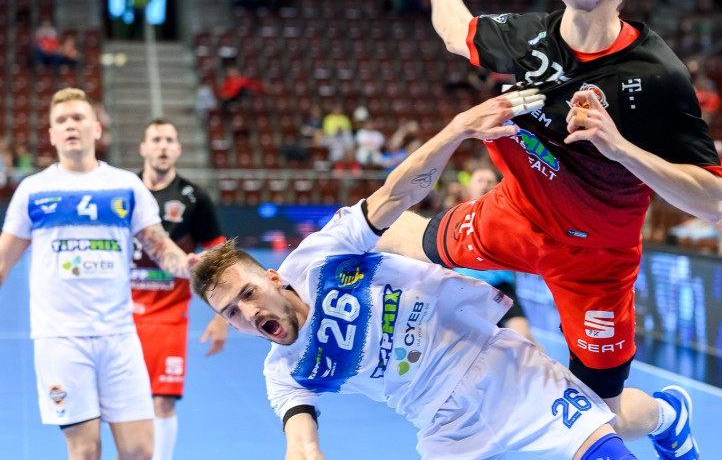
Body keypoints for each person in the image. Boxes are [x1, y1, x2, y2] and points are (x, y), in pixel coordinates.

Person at [380, 0, 722, 458]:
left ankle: (667, 415)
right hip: (514, 215)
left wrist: (620, 147)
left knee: (598, 415)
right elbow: (454, 33)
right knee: (391, 234)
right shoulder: (530, 37)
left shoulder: (658, 76)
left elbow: (712, 202)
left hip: (596, 261)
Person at [190, 90, 640, 460]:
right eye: (231, 312)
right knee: (608, 413)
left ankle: (665, 417)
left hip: (491, 361)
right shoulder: (284, 372)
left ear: (273, 278)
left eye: (247, 293)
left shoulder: (319, 255)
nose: (247, 312)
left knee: (608, 444)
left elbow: (396, 194)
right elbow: (302, 445)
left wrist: (457, 128)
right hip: (443, 425)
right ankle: (664, 415)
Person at [0, 88, 198, 460]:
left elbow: (160, 247)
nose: (70, 125)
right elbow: (2, 262)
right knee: (85, 451)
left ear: (96, 128)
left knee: (141, 450)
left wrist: (190, 267)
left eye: (78, 118)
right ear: (51, 134)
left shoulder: (126, 185)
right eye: (61, 120)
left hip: (119, 336)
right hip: (60, 338)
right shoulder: (33, 190)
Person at [131, 119, 228, 460]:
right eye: (156, 139)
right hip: (122, 315)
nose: (162, 145)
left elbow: (219, 257)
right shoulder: (126, 192)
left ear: (178, 149)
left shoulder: (194, 198)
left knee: (163, 400)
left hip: (169, 314)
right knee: (122, 401)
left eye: (169, 140)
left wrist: (221, 317)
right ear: (144, 148)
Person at [450, 166, 538, 344]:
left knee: (524, 339)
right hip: (467, 287)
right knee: (467, 344)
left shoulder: (510, 214)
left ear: (497, 186)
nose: (485, 185)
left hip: (501, 288)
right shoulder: (455, 215)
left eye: (489, 181)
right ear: (470, 187)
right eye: (480, 181)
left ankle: (548, 364)